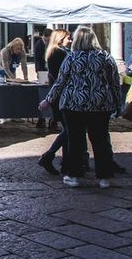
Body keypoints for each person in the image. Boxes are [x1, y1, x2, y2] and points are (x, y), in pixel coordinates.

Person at [40, 26, 121, 189]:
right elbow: (114, 82)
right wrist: (118, 103)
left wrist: (48, 100)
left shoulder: (71, 57)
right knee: (101, 141)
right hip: (100, 104)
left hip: (74, 104)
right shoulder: (105, 57)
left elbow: (60, 81)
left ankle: (74, 175)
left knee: (75, 141)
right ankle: (104, 178)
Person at [37, 29, 71, 175]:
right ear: (61, 39)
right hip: (62, 96)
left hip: (59, 95)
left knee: (68, 130)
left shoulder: (54, 52)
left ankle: (65, 162)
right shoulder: (59, 53)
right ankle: (49, 156)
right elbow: (61, 78)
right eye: (68, 38)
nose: (70, 41)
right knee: (69, 130)